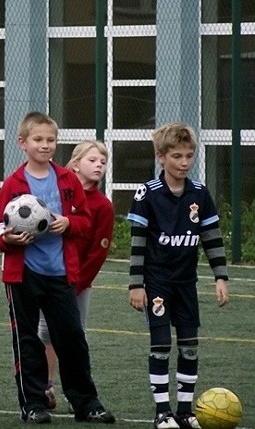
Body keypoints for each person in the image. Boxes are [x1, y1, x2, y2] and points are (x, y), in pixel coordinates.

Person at [0, 112, 115, 424]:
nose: (45, 146)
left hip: (60, 272)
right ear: (23, 143)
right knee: (27, 340)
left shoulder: (67, 179)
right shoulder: (14, 184)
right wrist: (9, 238)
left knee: (71, 337)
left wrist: (69, 223)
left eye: (51, 140)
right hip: (23, 275)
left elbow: (85, 221)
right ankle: (33, 404)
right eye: (38, 140)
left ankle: (86, 403)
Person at [127, 122, 229, 429]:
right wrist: (135, 284)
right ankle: (162, 412)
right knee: (160, 345)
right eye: (177, 156)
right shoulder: (147, 194)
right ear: (161, 156)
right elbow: (138, 242)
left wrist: (220, 277)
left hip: (186, 282)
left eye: (188, 156)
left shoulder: (199, 193)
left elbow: (211, 236)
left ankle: (185, 410)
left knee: (189, 345)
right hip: (156, 282)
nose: (184, 162)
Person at [37, 140, 115, 410]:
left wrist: (79, 283)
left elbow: (98, 252)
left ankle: (79, 392)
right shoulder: (57, 194)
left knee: (74, 335)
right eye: (93, 160)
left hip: (77, 283)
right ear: (75, 164)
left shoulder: (103, 206)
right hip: (49, 277)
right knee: (45, 332)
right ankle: (45, 387)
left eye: (103, 162)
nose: (99, 166)